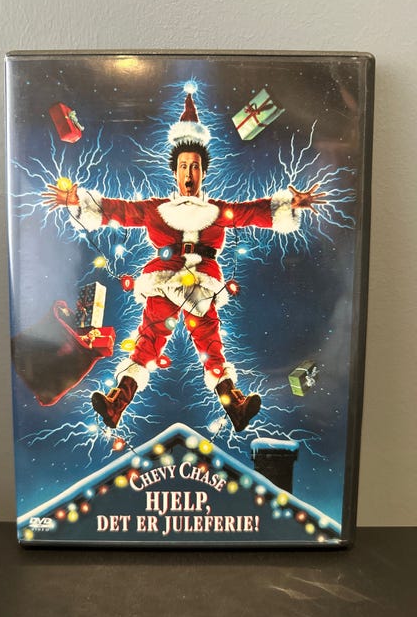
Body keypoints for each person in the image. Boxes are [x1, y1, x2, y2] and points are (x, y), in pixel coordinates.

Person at [43, 92, 326, 432]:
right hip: (163, 280)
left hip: (202, 283)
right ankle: (116, 404)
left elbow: (254, 212)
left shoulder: (218, 211)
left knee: (211, 346)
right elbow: (120, 210)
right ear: (174, 172)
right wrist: (78, 200)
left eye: (194, 166)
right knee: (148, 343)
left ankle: (235, 406)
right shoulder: (156, 209)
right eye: (183, 166)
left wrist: (289, 205)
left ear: (203, 171)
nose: (189, 173)